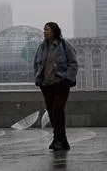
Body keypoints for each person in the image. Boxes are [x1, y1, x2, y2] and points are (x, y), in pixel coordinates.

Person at [33, 22, 79, 152]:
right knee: (52, 112)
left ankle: (57, 139)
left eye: (47, 29)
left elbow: (73, 63)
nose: (44, 32)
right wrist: (38, 78)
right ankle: (61, 139)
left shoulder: (65, 45)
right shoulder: (42, 47)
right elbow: (36, 63)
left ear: (54, 31)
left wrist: (67, 79)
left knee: (58, 109)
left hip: (60, 84)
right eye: (44, 29)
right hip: (46, 85)